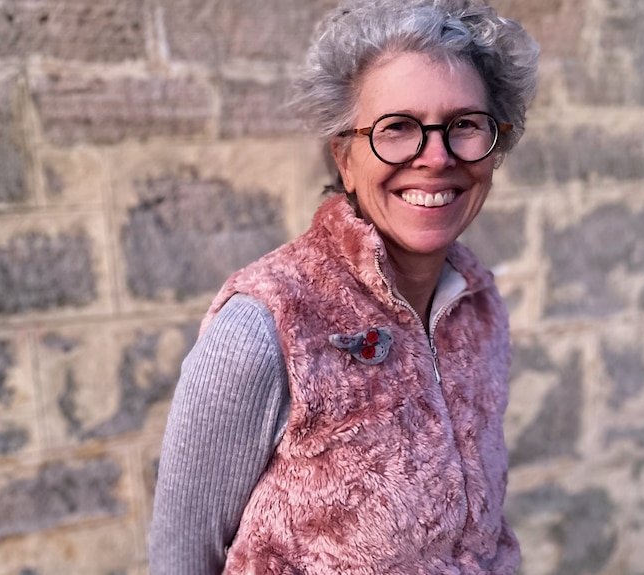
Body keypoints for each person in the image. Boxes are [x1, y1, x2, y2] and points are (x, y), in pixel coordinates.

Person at [149, 0, 538, 573]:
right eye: (398, 128)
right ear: (345, 159)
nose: (436, 157)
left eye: (464, 126)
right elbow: (180, 562)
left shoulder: (479, 305)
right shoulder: (266, 326)